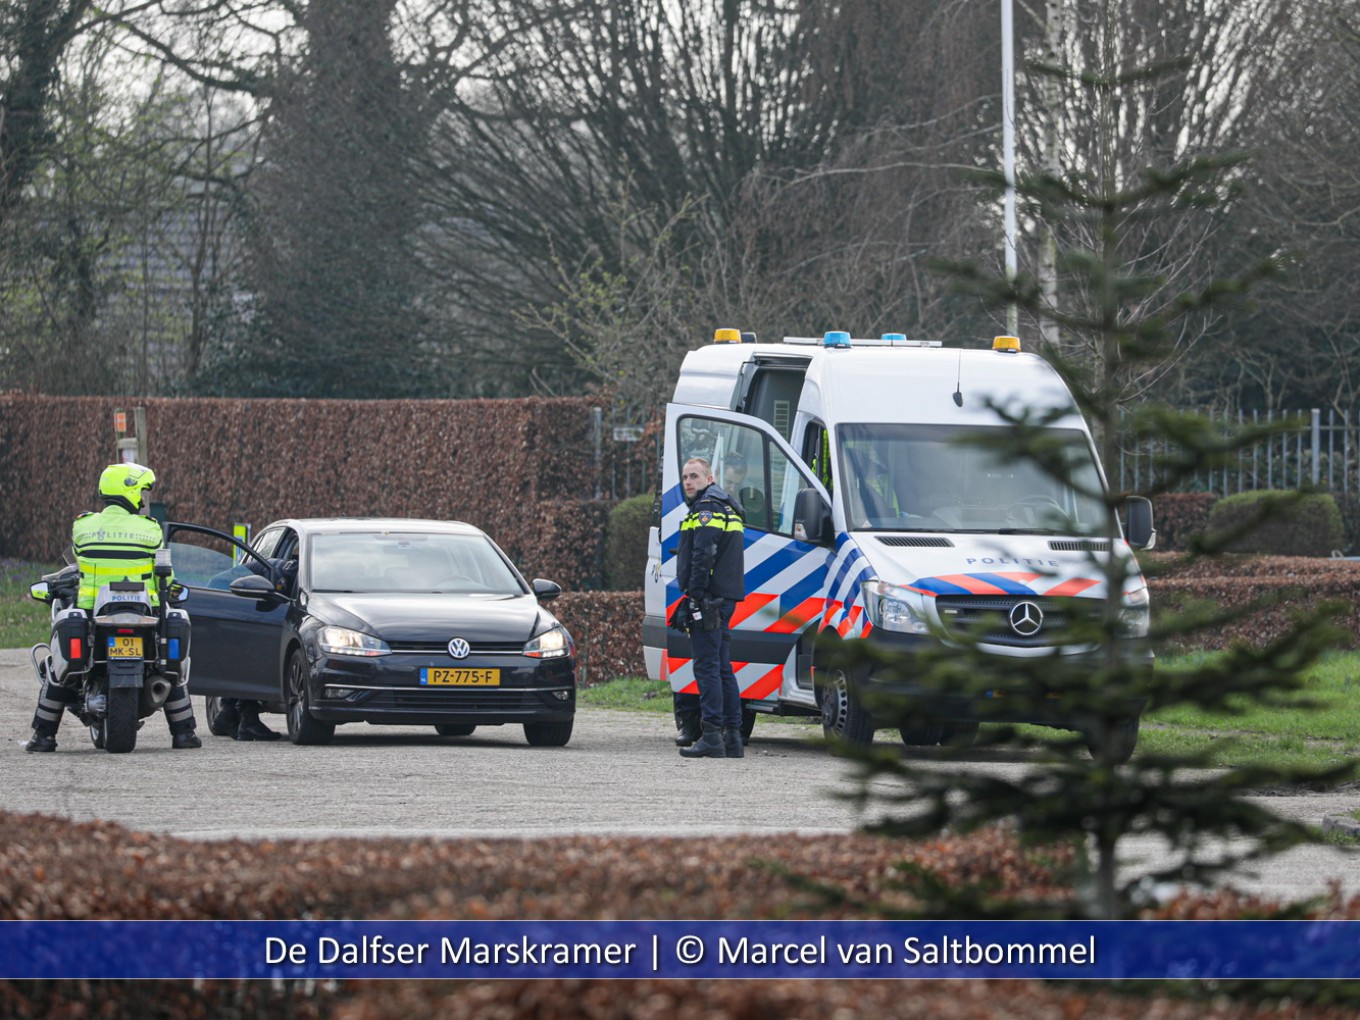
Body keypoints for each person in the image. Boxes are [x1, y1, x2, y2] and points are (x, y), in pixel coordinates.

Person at [27, 463, 202, 751]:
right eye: (142, 492)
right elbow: (165, 574)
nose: (143, 498)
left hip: (92, 611)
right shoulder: (150, 529)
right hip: (145, 613)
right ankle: (183, 734)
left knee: (60, 668)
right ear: (130, 490)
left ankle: (44, 737)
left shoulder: (83, 525)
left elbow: (78, 562)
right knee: (169, 666)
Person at [673, 457, 746, 759]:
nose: (688, 482)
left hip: (709, 599)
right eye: (685, 477)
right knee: (722, 667)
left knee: (706, 667)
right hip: (723, 598)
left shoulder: (706, 509)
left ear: (709, 478)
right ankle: (732, 738)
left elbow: (703, 555)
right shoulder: (726, 505)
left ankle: (712, 736)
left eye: (694, 476)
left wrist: (695, 596)